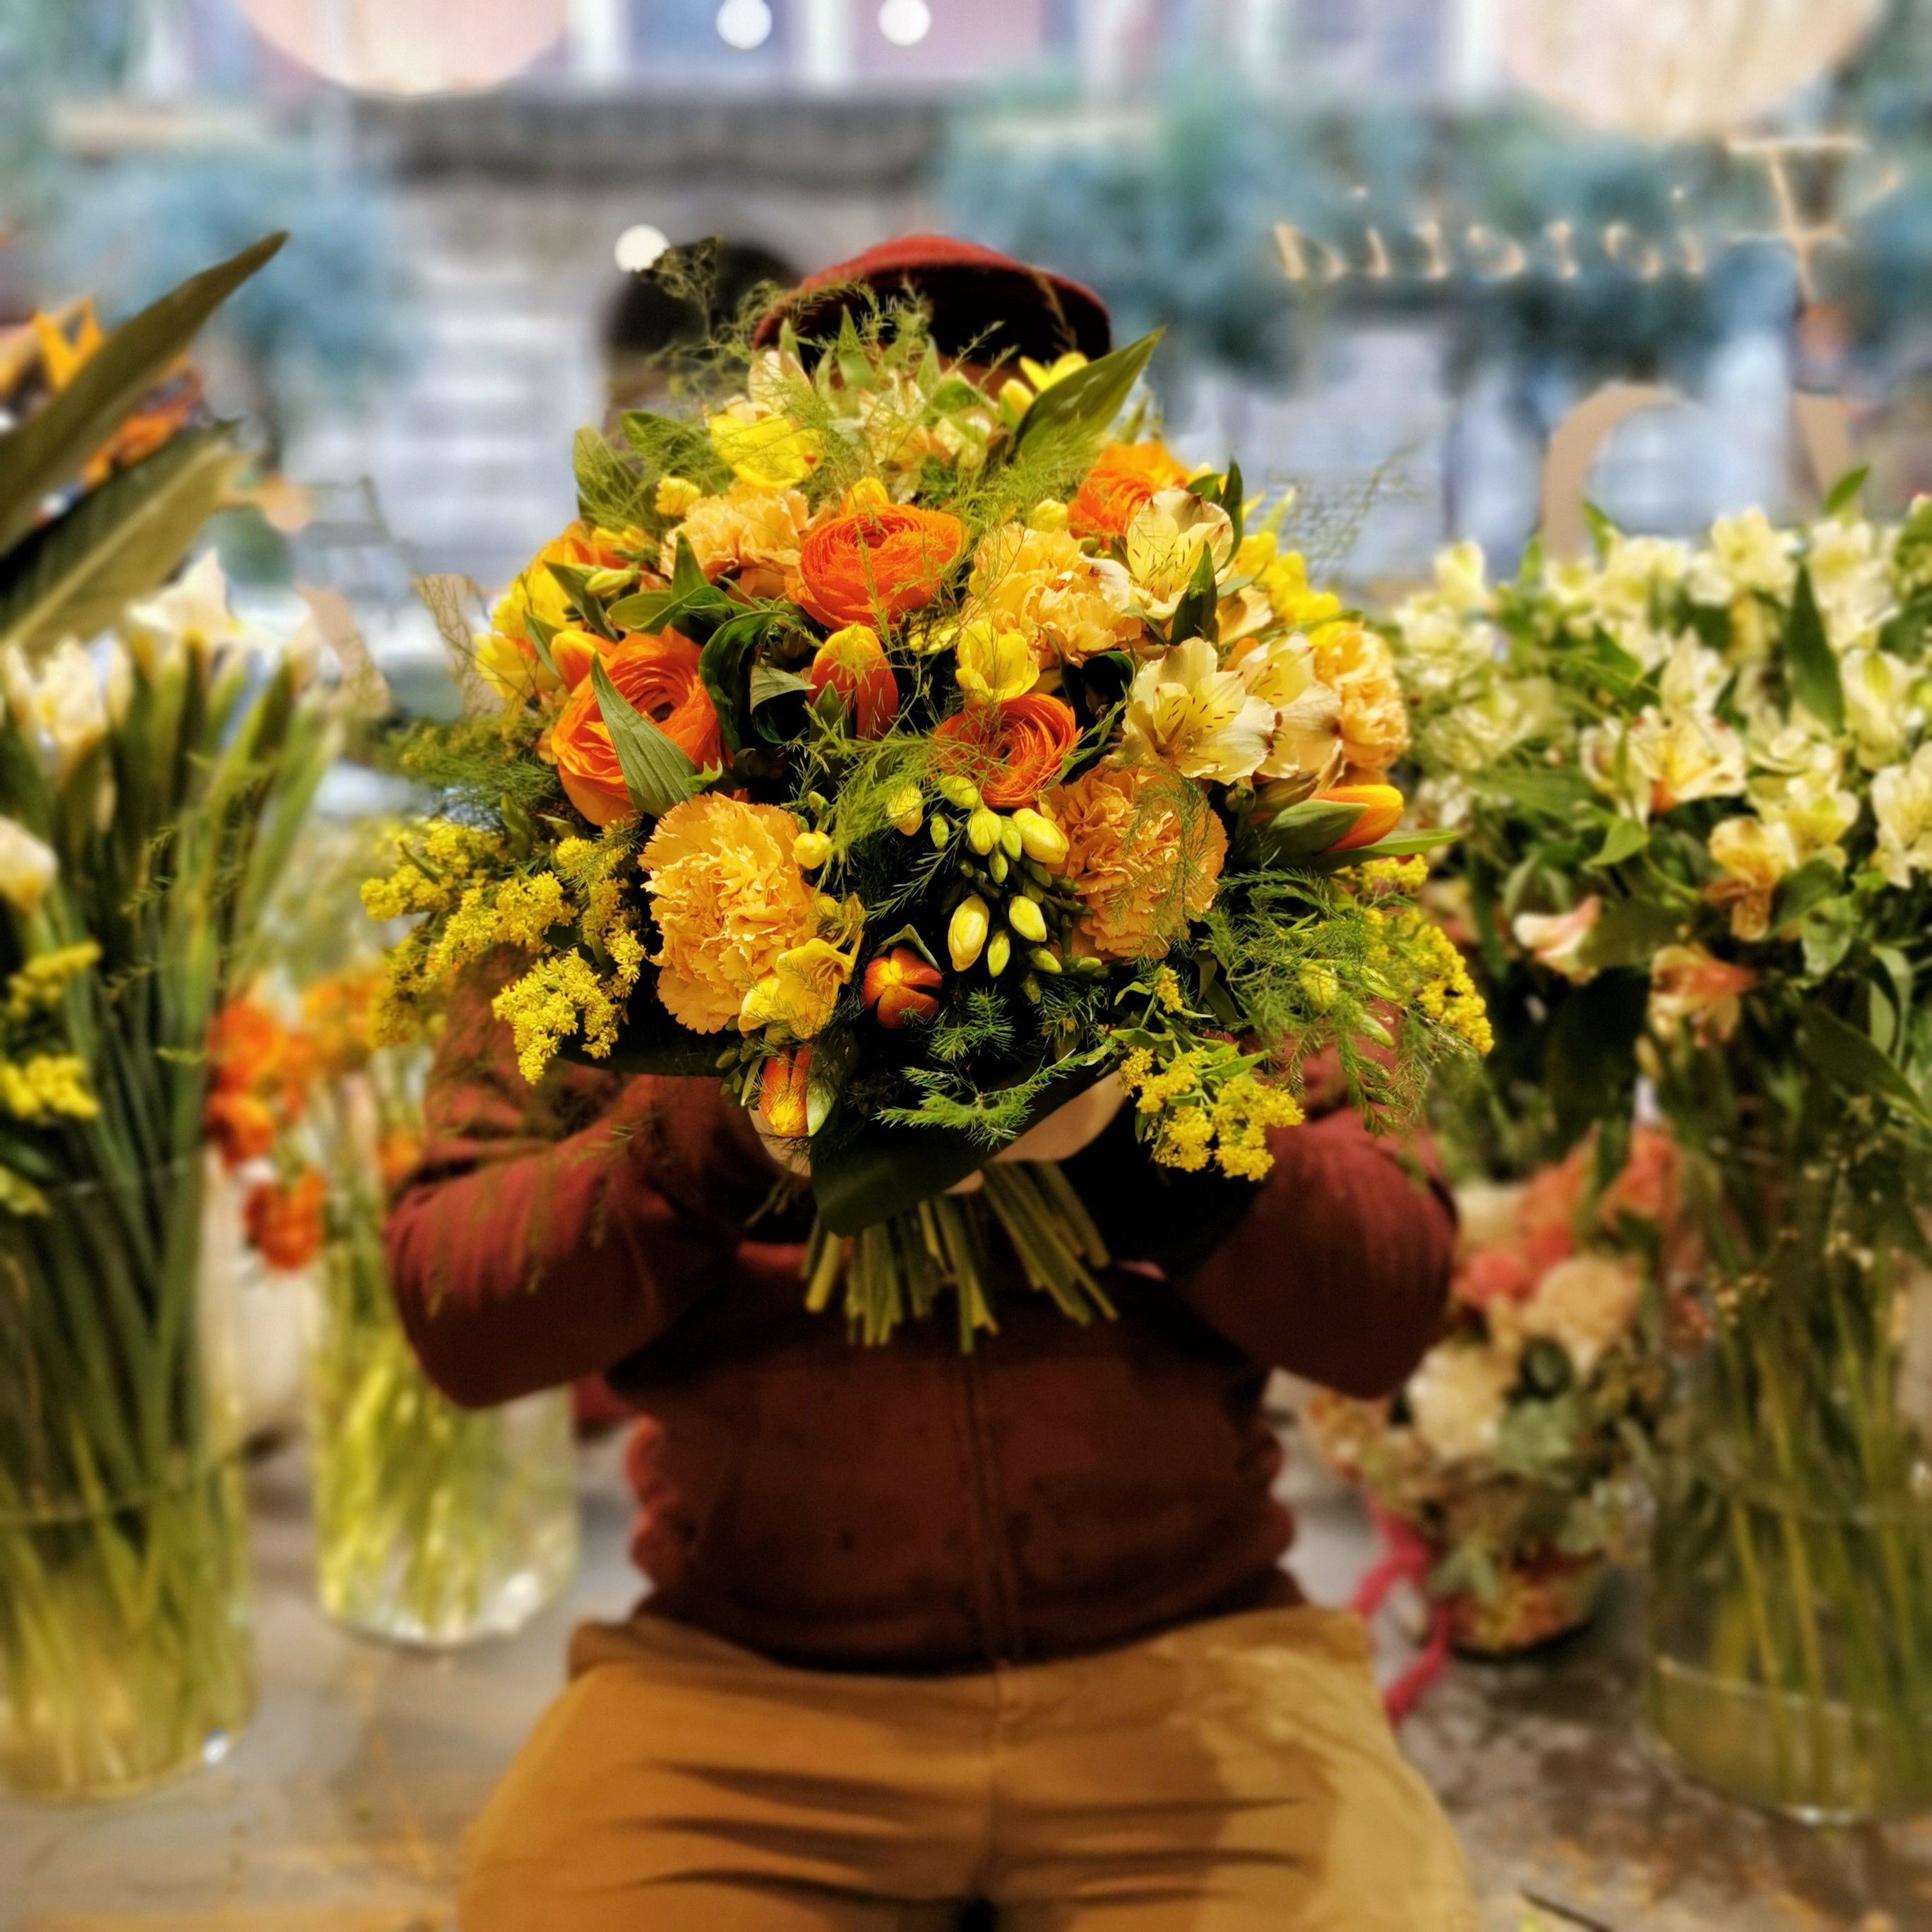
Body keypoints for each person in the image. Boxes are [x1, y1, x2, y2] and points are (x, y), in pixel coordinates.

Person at [386, 239, 1483, 1932]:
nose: (956, 433)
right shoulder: (601, 805)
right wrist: (740, 1116)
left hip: (1192, 1663)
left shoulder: (1253, 822)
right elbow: (457, 1310)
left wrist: (1132, 1133)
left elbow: (1394, 1301)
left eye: (1020, 400)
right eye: (874, 397)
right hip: (740, 1690)